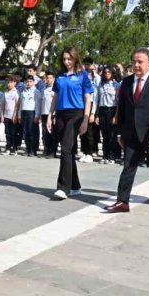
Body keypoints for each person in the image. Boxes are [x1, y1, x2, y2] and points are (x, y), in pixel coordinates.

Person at [106, 48, 149, 213]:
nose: (136, 65)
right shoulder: (126, 82)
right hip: (131, 132)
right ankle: (122, 201)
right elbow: (123, 108)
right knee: (129, 165)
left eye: (140, 62)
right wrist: (120, 132)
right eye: (134, 61)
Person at [46, 47, 94, 200]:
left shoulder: (83, 75)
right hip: (61, 114)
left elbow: (88, 98)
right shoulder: (59, 76)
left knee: (66, 150)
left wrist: (86, 119)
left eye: (69, 59)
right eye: (64, 59)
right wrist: (50, 115)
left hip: (76, 113)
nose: (66, 62)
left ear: (75, 59)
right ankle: (75, 186)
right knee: (69, 152)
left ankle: (63, 188)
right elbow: (55, 96)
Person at [94, 66, 120, 164]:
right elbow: (97, 100)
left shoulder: (116, 85)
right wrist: (96, 115)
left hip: (112, 110)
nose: (107, 74)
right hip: (102, 110)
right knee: (104, 134)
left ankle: (112, 156)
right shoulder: (100, 85)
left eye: (109, 72)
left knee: (112, 134)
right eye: (105, 72)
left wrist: (116, 116)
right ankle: (105, 155)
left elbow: (118, 102)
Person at [15, 75, 40, 157]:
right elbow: (20, 105)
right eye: (27, 82)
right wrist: (19, 116)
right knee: (25, 132)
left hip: (32, 113)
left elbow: (37, 105)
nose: (28, 83)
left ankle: (33, 149)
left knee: (32, 132)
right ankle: (27, 148)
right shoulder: (23, 92)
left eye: (30, 82)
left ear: (33, 82)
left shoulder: (36, 92)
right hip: (24, 112)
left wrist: (37, 115)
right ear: (25, 82)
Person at [39, 73, 57, 158]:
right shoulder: (44, 90)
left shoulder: (56, 90)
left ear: (54, 79)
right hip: (44, 114)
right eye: (47, 78)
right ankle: (46, 150)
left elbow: (56, 103)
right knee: (45, 134)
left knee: (52, 134)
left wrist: (55, 115)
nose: (48, 80)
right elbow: (42, 103)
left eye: (50, 78)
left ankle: (53, 152)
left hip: (52, 114)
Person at [1, 75, 19, 154]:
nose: (9, 84)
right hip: (6, 116)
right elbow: (3, 105)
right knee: (7, 133)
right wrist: (2, 115)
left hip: (13, 116)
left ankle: (14, 148)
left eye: (11, 82)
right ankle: (8, 147)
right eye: (8, 82)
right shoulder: (5, 93)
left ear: (15, 83)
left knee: (13, 133)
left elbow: (17, 105)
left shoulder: (16, 92)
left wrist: (15, 115)